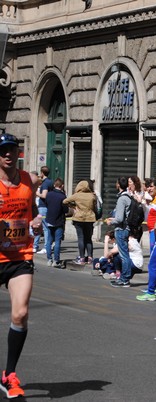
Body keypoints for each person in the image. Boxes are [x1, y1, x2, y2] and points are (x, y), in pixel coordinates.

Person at [0, 133, 43, 398]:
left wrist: (36, 221)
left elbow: (33, 210)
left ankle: (9, 375)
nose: (7, 155)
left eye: (12, 150)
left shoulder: (30, 180)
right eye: (3, 151)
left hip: (20, 257)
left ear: (19, 153)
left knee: (20, 313)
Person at [106, 177, 134, 287]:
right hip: (125, 229)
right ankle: (124, 278)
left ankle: (125, 279)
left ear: (118, 185)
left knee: (124, 255)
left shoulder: (122, 199)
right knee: (125, 254)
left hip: (121, 229)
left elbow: (119, 218)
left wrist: (110, 222)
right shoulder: (128, 197)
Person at [63, 179, 96, 265]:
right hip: (90, 218)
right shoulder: (92, 196)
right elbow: (95, 207)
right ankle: (90, 257)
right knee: (88, 239)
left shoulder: (76, 195)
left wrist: (73, 206)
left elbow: (64, 201)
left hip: (79, 218)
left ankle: (81, 258)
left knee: (81, 238)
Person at [44, 178, 68, 268]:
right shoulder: (62, 197)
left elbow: (47, 204)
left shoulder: (49, 194)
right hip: (59, 221)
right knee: (57, 241)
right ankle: (56, 260)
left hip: (49, 219)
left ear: (54, 185)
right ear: (62, 186)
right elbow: (65, 210)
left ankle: (49, 259)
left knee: (49, 240)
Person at [33, 166, 52, 254]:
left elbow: (44, 195)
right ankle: (35, 246)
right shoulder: (50, 182)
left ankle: (45, 247)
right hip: (46, 207)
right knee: (39, 226)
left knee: (44, 228)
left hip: (43, 207)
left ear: (42, 173)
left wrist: (37, 193)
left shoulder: (45, 183)